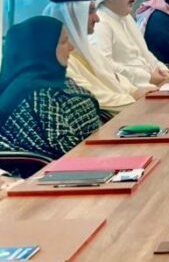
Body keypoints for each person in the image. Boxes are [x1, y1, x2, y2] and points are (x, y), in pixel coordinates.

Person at [0, 16, 103, 160]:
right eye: (64, 42)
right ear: (44, 49)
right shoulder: (36, 94)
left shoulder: (48, 81)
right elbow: (67, 150)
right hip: (70, 166)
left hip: (92, 153)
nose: (71, 47)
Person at [43, 0, 145, 115]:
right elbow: (89, 94)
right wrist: (132, 99)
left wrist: (135, 91)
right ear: (72, 16)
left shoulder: (87, 48)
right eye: (90, 12)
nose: (97, 19)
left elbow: (113, 77)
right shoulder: (59, 60)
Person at [91, 0, 169, 90]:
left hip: (151, 83)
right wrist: (146, 77)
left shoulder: (126, 17)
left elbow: (144, 52)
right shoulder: (100, 23)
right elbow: (105, 65)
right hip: (131, 90)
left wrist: (161, 68)